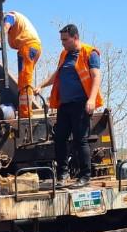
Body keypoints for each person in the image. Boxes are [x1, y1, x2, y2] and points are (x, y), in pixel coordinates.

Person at [35, 24, 102, 188]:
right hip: (64, 105)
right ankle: (62, 174)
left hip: (81, 104)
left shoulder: (89, 53)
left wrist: (91, 99)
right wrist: (41, 85)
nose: (62, 43)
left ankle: (85, 176)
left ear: (75, 38)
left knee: (80, 140)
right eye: (61, 40)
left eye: (65, 40)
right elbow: (57, 75)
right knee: (60, 138)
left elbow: (96, 77)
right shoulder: (65, 54)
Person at [0, 10, 42, 118]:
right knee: (23, 81)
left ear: (1, 16)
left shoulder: (9, 16)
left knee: (24, 81)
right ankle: (24, 111)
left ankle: (26, 114)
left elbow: (5, 28)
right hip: (28, 48)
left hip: (28, 47)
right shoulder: (13, 23)